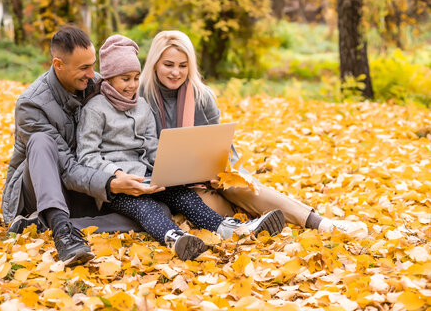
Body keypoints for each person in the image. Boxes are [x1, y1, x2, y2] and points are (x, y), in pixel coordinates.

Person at [139, 30, 368, 238]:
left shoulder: (202, 96)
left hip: (211, 175)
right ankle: (258, 222)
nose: (176, 72)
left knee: (241, 186)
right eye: (169, 65)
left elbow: (222, 146)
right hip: (173, 188)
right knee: (208, 207)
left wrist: (222, 171)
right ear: (155, 64)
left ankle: (322, 223)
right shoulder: (141, 97)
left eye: (183, 65)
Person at [76, 35, 285, 260]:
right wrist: (116, 176)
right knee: (147, 208)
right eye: (125, 79)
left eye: (136, 78)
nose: (132, 85)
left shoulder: (141, 106)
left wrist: (173, 169)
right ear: (108, 78)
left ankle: (231, 229)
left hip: (147, 177)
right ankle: (174, 239)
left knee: (185, 196)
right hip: (118, 186)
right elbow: (87, 155)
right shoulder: (95, 110)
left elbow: (151, 146)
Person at [2, 25, 166, 267]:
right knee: (40, 141)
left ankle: (55, 225)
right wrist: (111, 183)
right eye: (84, 68)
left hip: (85, 187)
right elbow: (66, 168)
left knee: (157, 211)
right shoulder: (31, 105)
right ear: (58, 65)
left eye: (93, 65)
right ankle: (63, 233)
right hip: (39, 191)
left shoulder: (97, 84)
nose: (93, 74)